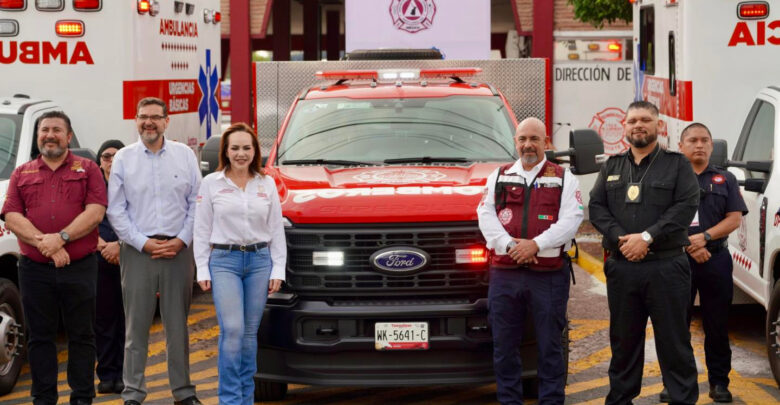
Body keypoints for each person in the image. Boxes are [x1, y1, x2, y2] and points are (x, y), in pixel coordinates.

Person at [589, 101, 700, 405]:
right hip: (623, 268)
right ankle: (620, 400)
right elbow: (596, 207)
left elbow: (686, 206)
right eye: (632, 120)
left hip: (667, 267)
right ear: (624, 127)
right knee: (623, 344)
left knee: (674, 344)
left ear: (658, 126)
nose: (638, 125)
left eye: (645, 120)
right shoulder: (611, 166)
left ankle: (681, 399)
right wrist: (620, 239)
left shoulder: (677, 164)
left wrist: (647, 237)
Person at [1, 111, 106, 405]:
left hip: (79, 267)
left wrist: (61, 238)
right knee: (39, 337)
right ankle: (44, 398)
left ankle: (82, 398)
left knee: (82, 336)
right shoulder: (22, 173)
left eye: (57, 130)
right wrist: (44, 243)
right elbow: (11, 215)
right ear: (38, 137)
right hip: (35, 270)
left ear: (68, 136)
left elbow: (96, 211)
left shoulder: (88, 169)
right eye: (44, 129)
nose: (50, 134)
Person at [477, 117, 583, 404]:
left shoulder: (563, 177)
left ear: (546, 143)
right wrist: (511, 245)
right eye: (522, 139)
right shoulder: (498, 176)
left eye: (534, 139)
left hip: (548, 277)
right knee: (504, 346)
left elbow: (572, 219)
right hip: (505, 274)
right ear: (515, 142)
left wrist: (536, 245)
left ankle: (551, 400)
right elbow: (485, 216)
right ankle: (509, 400)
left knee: (550, 346)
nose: (528, 145)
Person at [107, 97, 202, 405]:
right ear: (136, 121)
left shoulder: (185, 155)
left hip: (178, 250)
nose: (149, 122)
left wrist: (183, 239)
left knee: (177, 327)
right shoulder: (123, 158)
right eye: (143, 117)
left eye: (155, 117)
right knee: (136, 327)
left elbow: (197, 202)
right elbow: (115, 210)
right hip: (138, 251)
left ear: (166, 121)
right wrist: (142, 242)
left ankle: (183, 393)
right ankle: (133, 394)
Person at [193, 123, 286, 404]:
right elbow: (201, 229)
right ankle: (230, 399)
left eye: (247, 147)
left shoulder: (266, 183)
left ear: (255, 151)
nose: (241, 153)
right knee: (232, 329)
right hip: (224, 262)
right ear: (226, 151)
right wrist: (202, 267)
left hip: (259, 261)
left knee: (248, 334)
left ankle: (246, 397)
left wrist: (278, 268)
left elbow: (276, 230)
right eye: (235, 148)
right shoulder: (211, 183)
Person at [661, 123, 745, 403]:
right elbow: (661, 218)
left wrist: (705, 237)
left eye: (705, 140)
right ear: (681, 145)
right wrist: (689, 243)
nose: (699, 145)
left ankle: (719, 382)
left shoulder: (726, 179)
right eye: (693, 140)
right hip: (676, 259)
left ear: (712, 146)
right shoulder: (669, 178)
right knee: (675, 326)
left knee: (717, 324)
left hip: (716, 259)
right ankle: (673, 383)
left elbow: (734, 218)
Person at [94, 139, 127, 395]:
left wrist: (119, 245)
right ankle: (107, 375)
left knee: (128, 319)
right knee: (104, 319)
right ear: (99, 160)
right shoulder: (92, 187)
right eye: (106, 156)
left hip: (129, 257)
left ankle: (126, 374)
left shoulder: (132, 186)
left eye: (116, 156)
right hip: (99, 257)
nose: (111, 161)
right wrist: (103, 245)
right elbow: (80, 218)